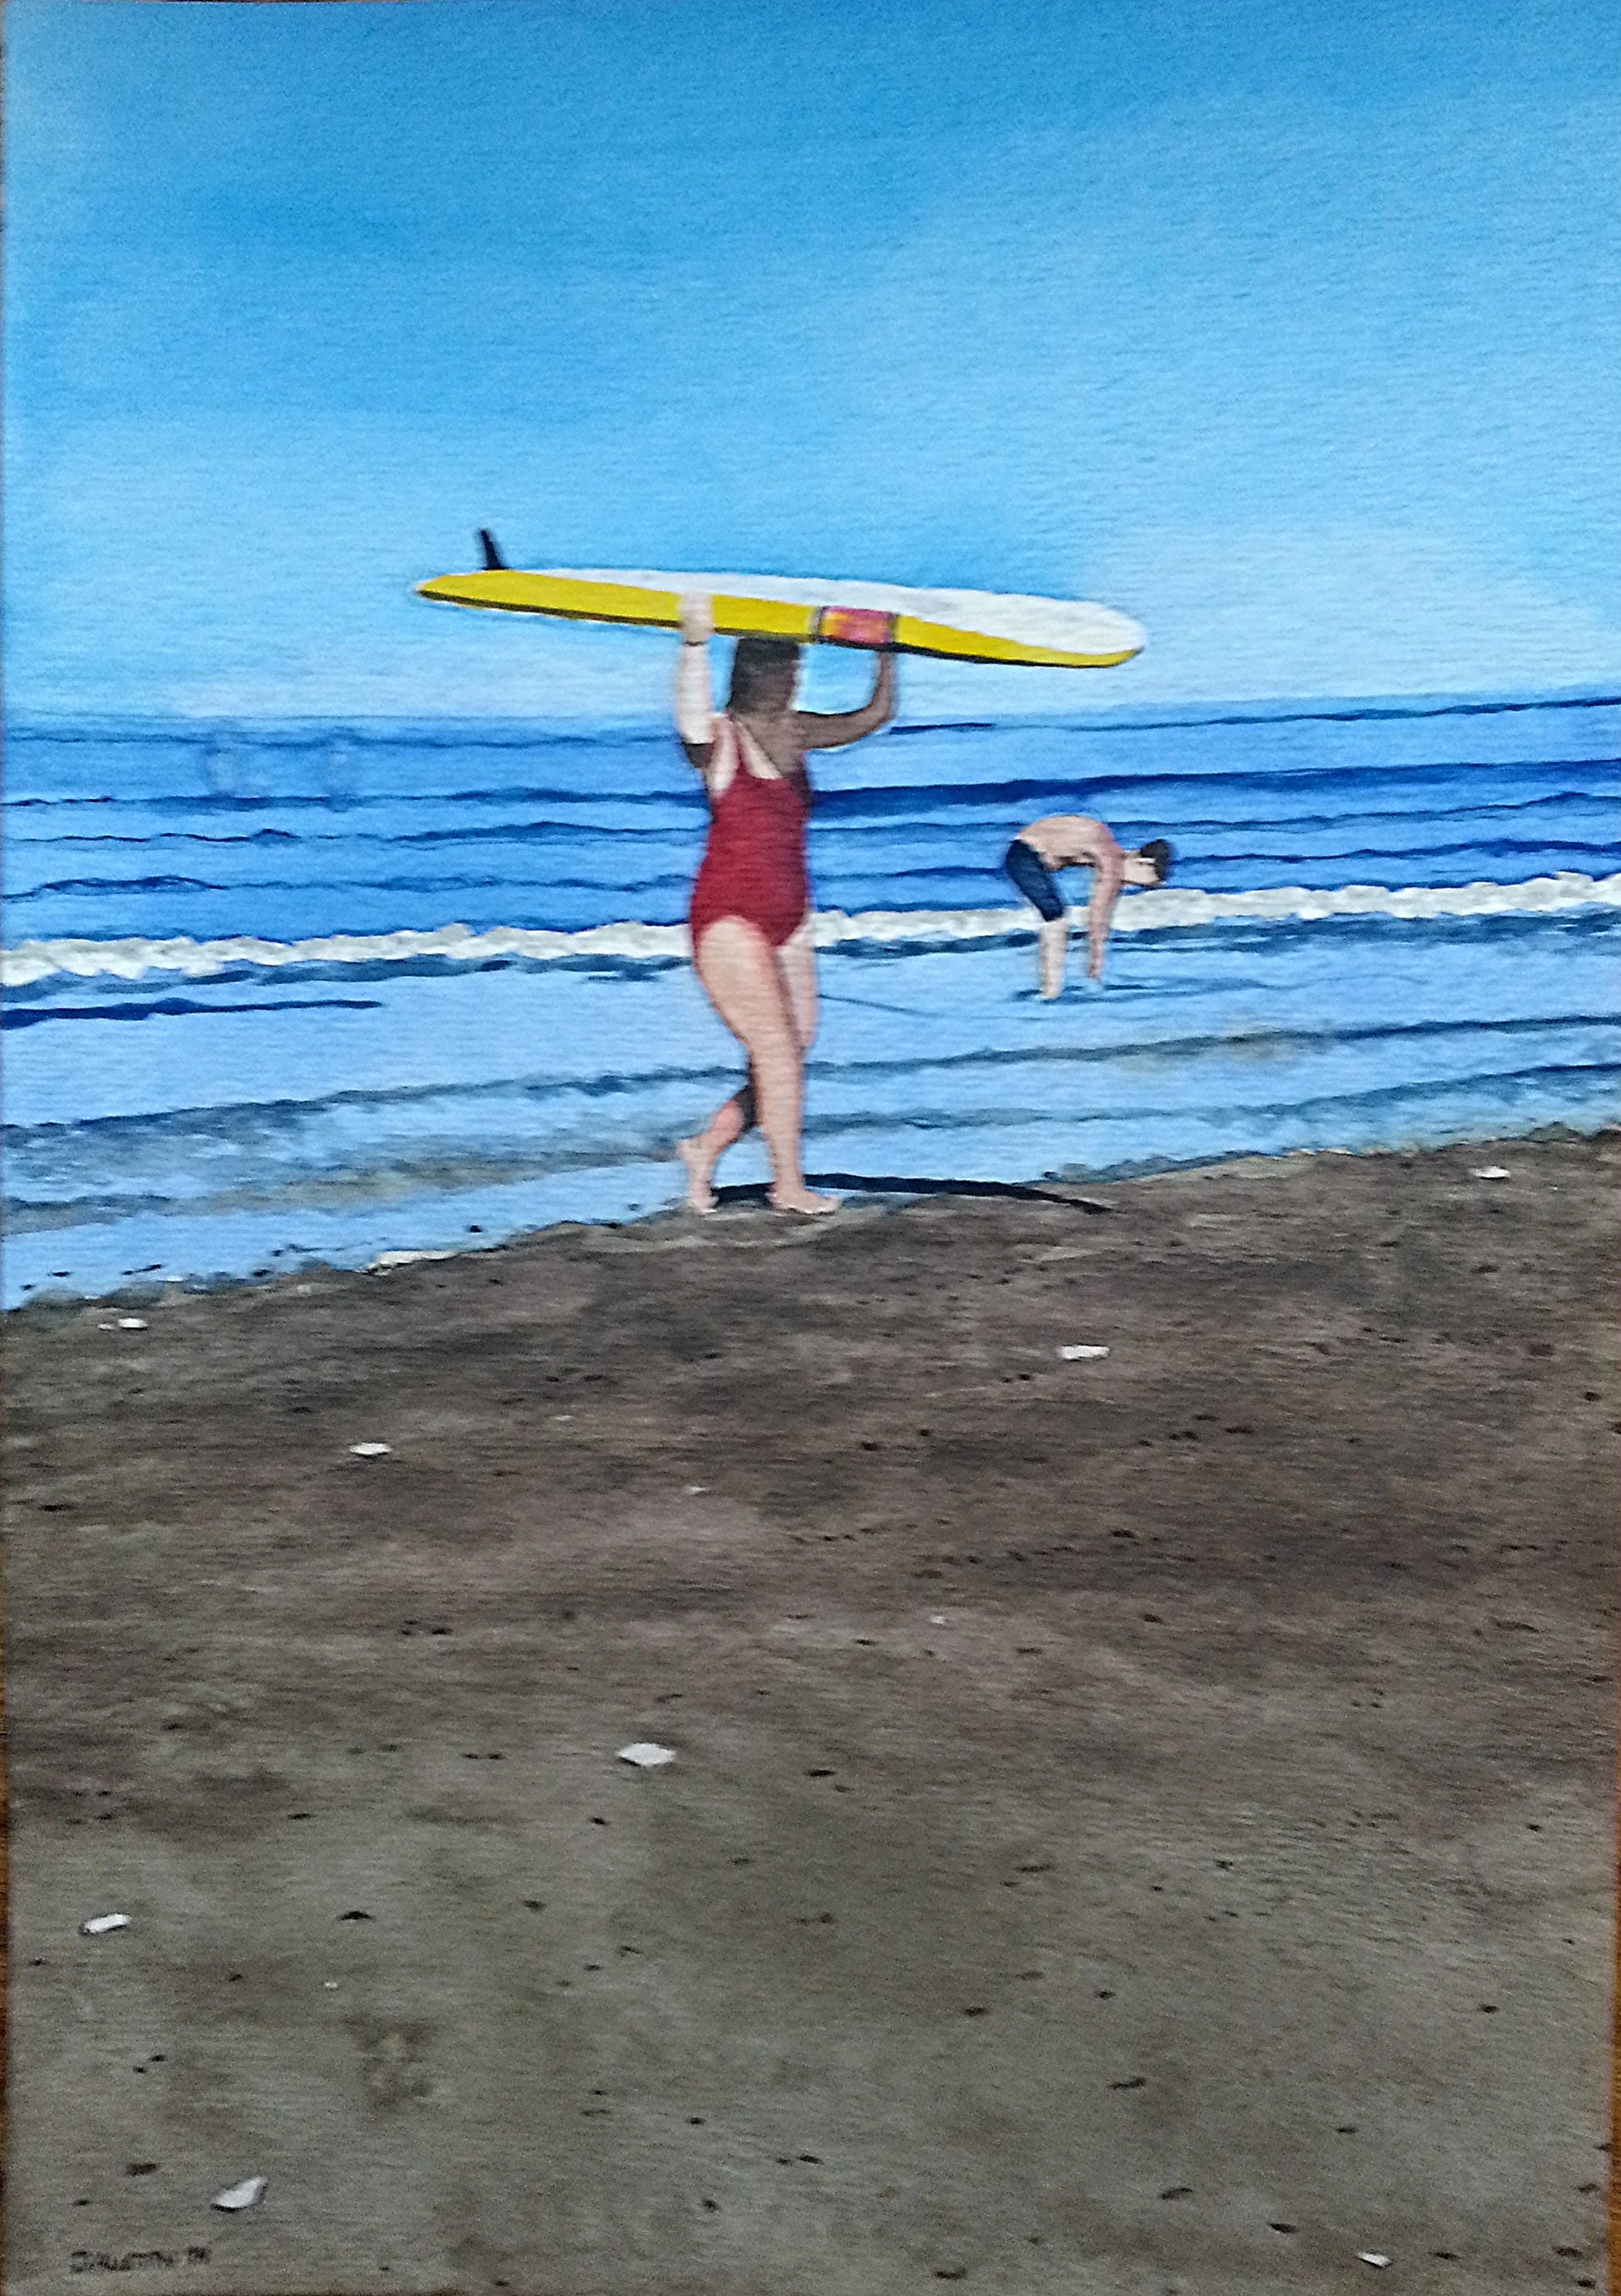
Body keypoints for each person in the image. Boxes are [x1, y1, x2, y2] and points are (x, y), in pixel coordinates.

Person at [674, 594, 896, 1215]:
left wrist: (886, 651)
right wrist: (694, 646)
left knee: (790, 1051)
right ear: (752, 675)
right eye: (782, 669)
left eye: (795, 669)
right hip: (728, 917)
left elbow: (874, 715)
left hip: (790, 915)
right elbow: (689, 726)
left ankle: (704, 1148)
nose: (792, 677)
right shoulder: (721, 738)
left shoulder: (797, 732)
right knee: (776, 1053)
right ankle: (788, 1185)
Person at [1004, 815, 1173, 996]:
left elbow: (1104, 908)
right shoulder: (1109, 858)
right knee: (1056, 919)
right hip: (1024, 854)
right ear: (1144, 863)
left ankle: (1050, 989)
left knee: (1056, 915)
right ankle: (1050, 993)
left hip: (1028, 850)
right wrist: (1095, 959)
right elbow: (1098, 913)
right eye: (1141, 884)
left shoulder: (1108, 852)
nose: (1132, 887)